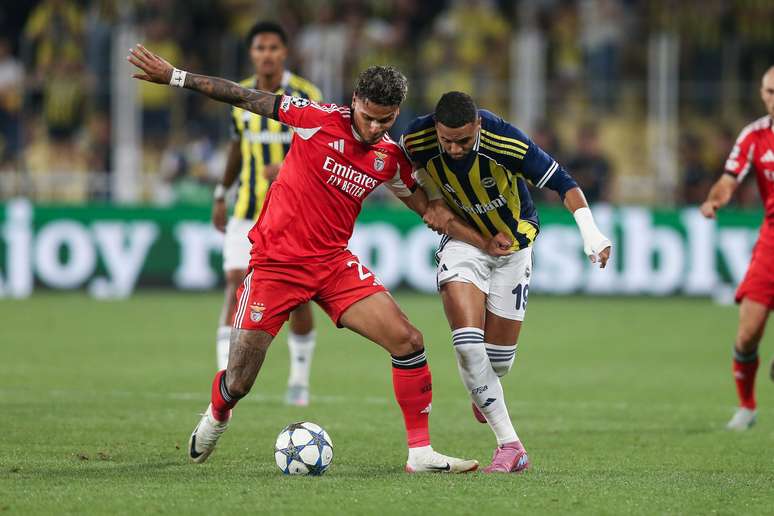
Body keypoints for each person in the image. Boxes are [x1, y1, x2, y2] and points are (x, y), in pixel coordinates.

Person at [128, 44, 510, 473]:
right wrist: (175, 77)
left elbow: (432, 213)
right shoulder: (316, 119)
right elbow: (243, 96)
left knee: (409, 341)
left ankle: (419, 452)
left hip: (332, 266)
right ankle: (219, 411)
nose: (375, 127)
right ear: (354, 102)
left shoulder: (389, 159)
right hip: (276, 265)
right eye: (368, 116)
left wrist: (483, 240)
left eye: (386, 120)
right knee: (239, 380)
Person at [401, 91, 612, 473]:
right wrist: (432, 198)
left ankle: (485, 389)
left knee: (497, 362)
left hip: (513, 246)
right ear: (436, 129)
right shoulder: (417, 137)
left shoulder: (505, 140)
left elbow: (564, 182)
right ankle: (511, 446)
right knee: (468, 346)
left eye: (464, 141)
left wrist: (591, 234)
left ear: (478, 126)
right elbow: (400, 167)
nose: (454, 149)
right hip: (463, 244)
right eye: (447, 141)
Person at [211, 21, 323, 407]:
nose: (267, 54)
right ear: (251, 53)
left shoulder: (307, 95)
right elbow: (236, 147)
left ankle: (299, 379)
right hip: (246, 208)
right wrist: (221, 193)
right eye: (260, 48)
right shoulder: (240, 96)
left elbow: (322, 148)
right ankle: (224, 380)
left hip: (292, 214)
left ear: (284, 52)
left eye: (274, 47)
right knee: (235, 283)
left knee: (298, 297)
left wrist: (288, 167)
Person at [700, 65, 774, 431]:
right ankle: (747, 406)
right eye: (770, 92)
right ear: (762, 94)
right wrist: (716, 199)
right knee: (747, 335)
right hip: (771, 243)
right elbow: (729, 179)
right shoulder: (754, 136)